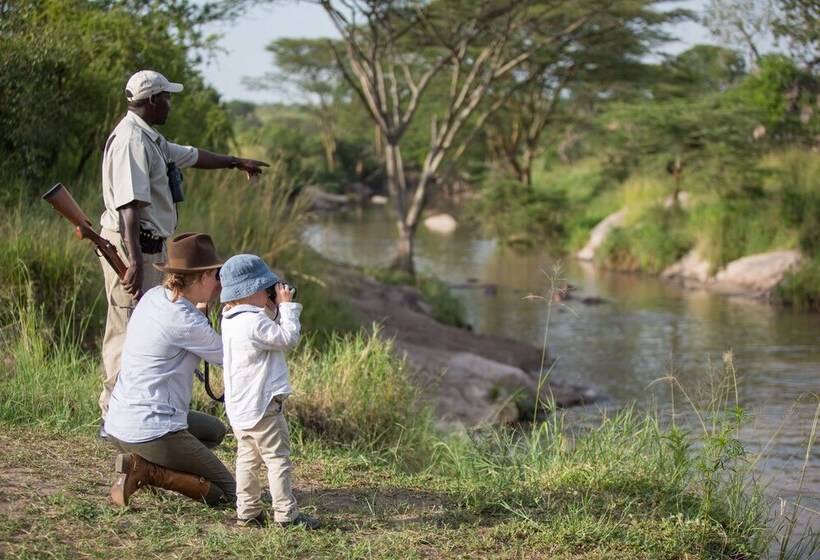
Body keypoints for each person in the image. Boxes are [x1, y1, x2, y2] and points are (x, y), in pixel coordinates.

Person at [98, 69, 270, 422]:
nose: (169, 105)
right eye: (165, 98)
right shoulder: (132, 140)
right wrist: (134, 262)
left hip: (150, 247)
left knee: (148, 326)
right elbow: (129, 207)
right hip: (135, 247)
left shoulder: (150, 139)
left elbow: (191, 156)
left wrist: (236, 163)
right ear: (150, 101)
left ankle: (138, 408)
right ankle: (114, 414)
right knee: (127, 328)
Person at [104, 232, 236, 508]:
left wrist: (204, 308)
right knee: (229, 494)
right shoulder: (186, 321)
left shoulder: (155, 296)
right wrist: (241, 313)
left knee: (214, 431)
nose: (220, 282)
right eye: (216, 274)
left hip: (119, 423)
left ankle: (143, 462)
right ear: (200, 277)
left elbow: (184, 331)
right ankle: (149, 472)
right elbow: (232, 357)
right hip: (151, 429)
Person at [219, 254, 319, 528]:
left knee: (247, 459)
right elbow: (288, 338)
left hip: (240, 408)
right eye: (267, 288)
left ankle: (248, 512)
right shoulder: (255, 322)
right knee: (277, 459)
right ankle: (286, 515)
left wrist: (269, 309)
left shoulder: (229, 318)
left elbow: (259, 331)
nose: (270, 292)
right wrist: (286, 308)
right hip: (263, 406)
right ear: (252, 290)